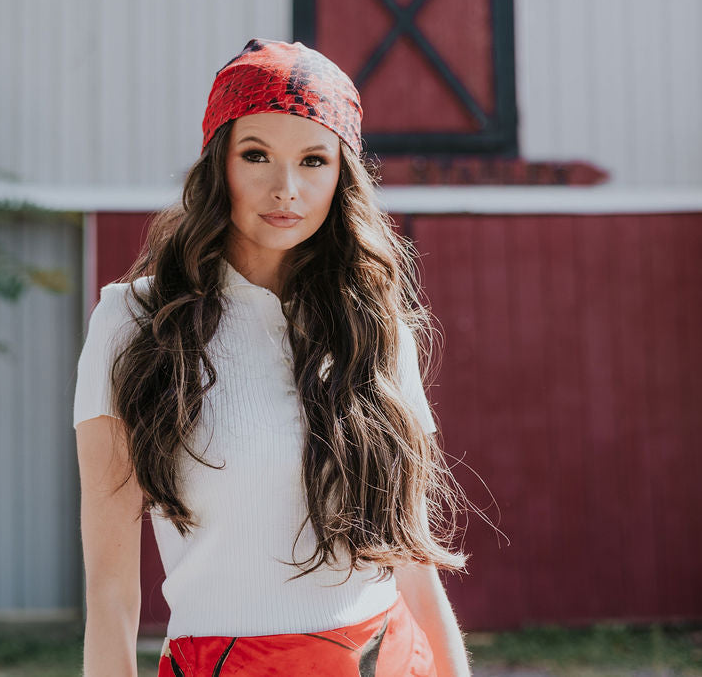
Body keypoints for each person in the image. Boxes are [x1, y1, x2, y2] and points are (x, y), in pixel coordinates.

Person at [73, 38, 472, 677]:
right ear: (217, 164)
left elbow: (413, 565)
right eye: (255, 154)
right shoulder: (133, 323)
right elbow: (111, 591)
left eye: (314, 160)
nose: (285, 188)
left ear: (342, 175)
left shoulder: (373, 322)